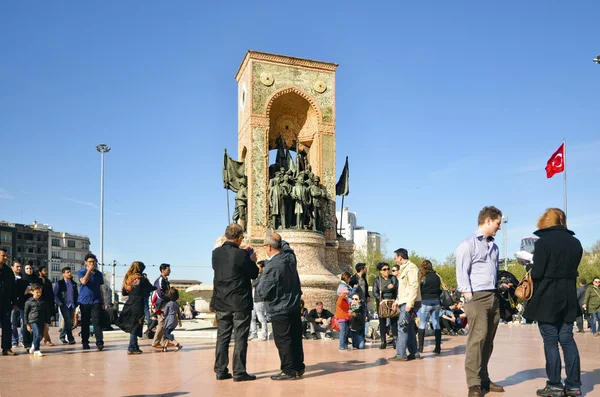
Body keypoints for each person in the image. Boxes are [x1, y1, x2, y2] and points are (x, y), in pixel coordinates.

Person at [523, 208, 583, 397]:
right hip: (568, 295)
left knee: (550, 341)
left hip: (547, 297)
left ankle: (555, 385)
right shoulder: (576, 243)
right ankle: (574, 385)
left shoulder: (543, 243)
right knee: (567, 340)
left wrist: (530, 266)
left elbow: (538, 273)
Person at [456, 206, 505, 397]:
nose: (499, 227)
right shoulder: (467, 245)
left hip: (493, 296)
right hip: (475, 296)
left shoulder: (494, 247)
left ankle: (484, 378)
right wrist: (468, 296)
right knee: (478, 338)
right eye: (498, 223)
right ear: (488, 221)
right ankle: (473, 384)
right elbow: (462, 272)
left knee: (488, 341)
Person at [211, 223, 258, 382]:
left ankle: (220, 370)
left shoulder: (215, 254)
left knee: (222, 337)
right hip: (239, 303)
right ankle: (239, 372)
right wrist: (251, 259)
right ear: (239, 238)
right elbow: (253, 273)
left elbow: (230, 264)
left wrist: (243, 254)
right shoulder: (241, 255)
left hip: (222, 303)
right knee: (240, 338)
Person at [256, 232, 305, 380]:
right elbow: (288, 248)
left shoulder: (272, 266)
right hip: (294, 305)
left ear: (269, 247)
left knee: (283, 340)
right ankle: (298, 367)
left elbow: (262, 290)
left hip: (279, 307)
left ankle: (288, 370)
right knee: (295, 337)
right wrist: (279, 238)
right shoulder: (290, 258)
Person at [117, 261, 156, 355]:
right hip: (139, 304)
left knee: (134, 325)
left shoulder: (128, 279)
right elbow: (151, 288)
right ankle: (131, 347)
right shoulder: (142, 279)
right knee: (136, 326)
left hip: (130, 303)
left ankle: (135, 346)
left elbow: (124, 292)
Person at [390, 249, 421, 362]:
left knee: (402, 327)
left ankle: (401, 353)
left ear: (400, 257)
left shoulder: (411, 268)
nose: (395, 260)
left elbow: (414, 286)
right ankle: (414, 352)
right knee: (409, 327)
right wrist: (397, 301)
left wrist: (410, 303)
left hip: (409, 302)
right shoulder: (404, 269)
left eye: (395, 257)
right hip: (405, 301)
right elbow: (404, 289)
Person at [78, 253, 105, 351]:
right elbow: (84, 281)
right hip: (84, 301)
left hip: (96, 301)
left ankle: (99, 342)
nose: (92, 263)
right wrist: (89, 271)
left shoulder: (99, 274)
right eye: (90, 262)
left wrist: (103, 301)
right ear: (86, 262)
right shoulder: (81, 272)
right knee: (85, 322)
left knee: (96, 321)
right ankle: (85, 341)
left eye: (93, 262)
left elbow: (100, 288)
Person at [418, 259, 442, 355]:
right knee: (436, 322)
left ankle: (420, 348)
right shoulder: (437, 276)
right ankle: (438, 347)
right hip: (436, 301)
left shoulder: (423, 278)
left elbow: (420, 289)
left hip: (426, 302)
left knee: (422, 323)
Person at [372, 262, 398, 349]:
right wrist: (381, 300)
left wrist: (393, 287)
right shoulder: (377, 280)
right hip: (382, 302)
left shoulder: (393, 278)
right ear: (380, 271)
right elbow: (375, 292)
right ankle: (383, 342)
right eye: (384, 269)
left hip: (392, 302)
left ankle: (395, 341)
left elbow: (397, 287)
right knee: (382, 322)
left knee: (394, 322)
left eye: (388, 269)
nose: (387, 271)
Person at [53, 267, 78, 345]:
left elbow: (76, 294)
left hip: (72, 305)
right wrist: (60, 303)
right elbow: (55, 295)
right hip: (64, 305)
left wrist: (77, 303)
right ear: (63, 274)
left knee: (68, 322)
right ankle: (71, 338)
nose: (69, 273)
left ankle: (62, 336)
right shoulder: (59, 283)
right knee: (68, 321)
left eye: (70, 272)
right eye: (67, 272)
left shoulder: (74, 283)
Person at [0, 248, 17, 356]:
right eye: (3, 255)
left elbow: (13, 287)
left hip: (5, 303)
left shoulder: (8, 271)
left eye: (6, 256)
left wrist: (14, 302)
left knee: (7, 325)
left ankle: (7, 348)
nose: (6, 258)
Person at [151, 263, 172, 349]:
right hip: (160, 305)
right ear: (162, 270)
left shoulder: (166, 280)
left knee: (165, 323)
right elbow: (159, 294)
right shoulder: (159, 280)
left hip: (165, 304)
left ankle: (163, 342)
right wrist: (169, 298)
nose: (170, 271)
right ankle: (155, 342)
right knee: (162, 323)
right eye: (168, 269)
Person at [23, 284, 46, 357]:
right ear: (32, 292)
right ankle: (37, 350)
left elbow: (46, 312)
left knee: (41, 335)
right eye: (37, 292)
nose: (39, 294)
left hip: (41, 320)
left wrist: (47, 322)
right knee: (37, 333)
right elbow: (25, 314)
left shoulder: (42, 301)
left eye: (40, 292)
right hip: (33, 320)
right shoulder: (28, 302)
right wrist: (27, 324)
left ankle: (33, 345)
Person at [249, 261, 268, 341]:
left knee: (261, 318)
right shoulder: (257, 276)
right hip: (253, 299)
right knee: (252, 318)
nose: (258, 269)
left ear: (262, 267)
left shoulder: (263, 276)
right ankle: (254, 334)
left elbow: (253, 284)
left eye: (259, 267)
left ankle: (264, 335)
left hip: (259, 299)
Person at [37, 265, 55, 346]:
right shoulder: (37, 281)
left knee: (46, 323)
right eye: (44, 270)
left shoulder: (48, 281)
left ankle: (47, 340)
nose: (46, 272)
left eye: (46, 270)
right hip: (38, 304)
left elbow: (51, 294)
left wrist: (52, 305)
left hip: (47, 305)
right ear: (40, 272)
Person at [336, 273, 353, 352]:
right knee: (343, 332)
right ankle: (341, 346)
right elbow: (339, 303)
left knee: (346, 332)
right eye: (346, 294)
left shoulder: (346, 300)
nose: (347, 295)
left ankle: (345, 345)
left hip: (345, 317)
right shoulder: (341, 298)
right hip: (342, 318)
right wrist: (342, 296)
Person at [162, 287, 183, 352]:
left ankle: (176, 344)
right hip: (175, 320)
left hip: (169, 320)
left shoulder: (169, 303)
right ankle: (165, 347)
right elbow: (179, 313)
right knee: (167, 333)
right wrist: (179, 321)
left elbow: (165, 313)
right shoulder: (177, 303)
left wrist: (161, 312)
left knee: (167, 334)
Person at [11, 261, 25, 348]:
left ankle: (22, 339)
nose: (19, 268)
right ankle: (14, 340)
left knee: (23, 322)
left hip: (22, 302)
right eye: (17, 266)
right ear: (12, 267)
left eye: (20, 266)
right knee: (13, 323)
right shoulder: (9, 277)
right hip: (12, 303)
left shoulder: (23, 278)